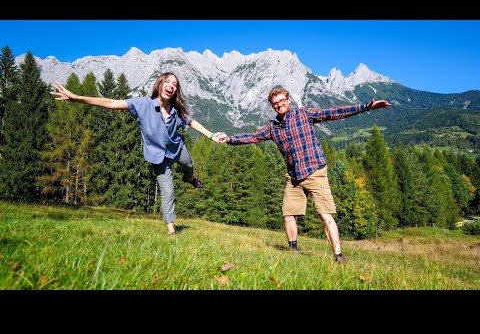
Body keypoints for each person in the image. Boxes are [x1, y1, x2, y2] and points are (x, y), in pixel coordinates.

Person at [217, 86, 391, 264]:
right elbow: (252, 137)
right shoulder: (272, 127)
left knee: (324, 214)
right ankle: (293, 251)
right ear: (272, 106)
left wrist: (366, 107)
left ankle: (338, 255)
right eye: (275, 103)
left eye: (282, 101)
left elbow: (333, 112)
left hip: (315, 171)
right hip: (294, 177)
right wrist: (229, 139)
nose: (279, 105)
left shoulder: (304, 114)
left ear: (288, 100)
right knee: (288, 214)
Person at [51, 72, 223, 236]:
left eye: (175, 84)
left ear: (175, 91)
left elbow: (190, 121)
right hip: (158, 157)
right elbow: (111, 103)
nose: (171, 85)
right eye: (168, 82)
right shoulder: (143, 104)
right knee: (167, 191)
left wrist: (210, 135)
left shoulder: (176, 108)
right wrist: (77, 98)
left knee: (190, 165)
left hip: (177, 148)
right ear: (160, 84)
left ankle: (189, 179)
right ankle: (171, 230)